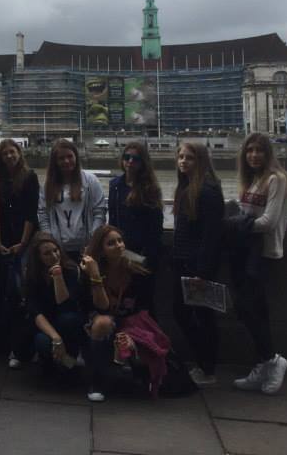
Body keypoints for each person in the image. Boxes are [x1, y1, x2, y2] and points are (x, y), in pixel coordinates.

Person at [231, 133, 287, 395]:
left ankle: (274, 361)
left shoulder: (276, 180)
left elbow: (268, 222)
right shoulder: (253, 180)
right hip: (245, 252)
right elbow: (248, 215)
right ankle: (264, 363)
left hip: (265, 254)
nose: (254, 155)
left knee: (250, 308)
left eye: (259, 150)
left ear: (268, 153)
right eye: (249, 151)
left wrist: (236, 225)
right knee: (250, 310)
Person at [80, 225, 162, 402]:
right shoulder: (91, 270)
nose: (118, 245)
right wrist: (95, 276)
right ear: (101, 250)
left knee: (130, 340)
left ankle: (138, 374)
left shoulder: (136, 270)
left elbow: (144, 307)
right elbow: (102, 308)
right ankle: (97, 381)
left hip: (131, 321)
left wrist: (133, 334)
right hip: (102, 320)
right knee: (103, 323)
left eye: (120, 241)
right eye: (111, 243)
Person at [171, 141, 225, 387]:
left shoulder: (208, 191)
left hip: (197, 266)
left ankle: (207, 368)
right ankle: (202, 363)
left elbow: (211, 236)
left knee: (202, 317)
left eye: (189, 158)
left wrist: (203, 272)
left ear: (200, 161)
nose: (183, 161)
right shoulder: (187, 188)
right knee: (183, 313)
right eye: (181, 157)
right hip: (184, 262)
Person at [0, 138, 40, 367]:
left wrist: (23, 243)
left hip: (25, 241)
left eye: (12, 152)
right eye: (5, 154)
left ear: (19, 154)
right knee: (7, 294)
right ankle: (12, 346)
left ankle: (24, 348)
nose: (9, 157)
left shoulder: (29, 177)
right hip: (6, 242)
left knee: (24, 293)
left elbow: (31, 213)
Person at [15, 234, 85, 377]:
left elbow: (64, 303)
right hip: (43, 323)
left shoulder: (71, 269)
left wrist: (58, 276)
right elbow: (35, 310)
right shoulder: (32, 275)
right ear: (38, 257)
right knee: (43, 341)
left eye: (56, 250)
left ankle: (69, 359)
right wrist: (56, 338)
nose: (54, 255)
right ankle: (50, 362)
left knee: (69, 319)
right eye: (47, 253)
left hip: (64, 319)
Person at [107, 141, 163, 312]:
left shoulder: (150, 188)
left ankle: (149, 337)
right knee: (122, 301)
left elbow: (155, 228)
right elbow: (113, 220)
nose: (130, 161)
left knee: (143, 303)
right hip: (121, 251)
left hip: (141, 255)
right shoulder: (115, 185)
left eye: (136, 159)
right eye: (127, 157)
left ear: (143, 162)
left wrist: (147, 259)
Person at [38, 139, 106, 260]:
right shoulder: (48, 186)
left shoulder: (90, 181)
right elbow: (43, 214)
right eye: (61, 158)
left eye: (70, 156)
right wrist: (50, 240)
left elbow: (99, 211)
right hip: (58, 248)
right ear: (55, 162)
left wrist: (93, 240)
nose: (67, 161)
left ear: (76, 157)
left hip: (87, 246)